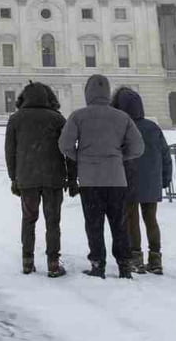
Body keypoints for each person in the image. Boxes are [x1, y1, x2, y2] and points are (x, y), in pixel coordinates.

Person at [59, 75, 144, 279]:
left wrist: (80, 157)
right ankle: (124, 265)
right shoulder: (122, 117)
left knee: (94, 224)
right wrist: (121, 156)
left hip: (90, 180)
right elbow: (138, 147)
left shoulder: (78, 116)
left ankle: (98, 264)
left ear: (87, 93)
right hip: (116, 178)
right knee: (119, 224)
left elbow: (64, 145)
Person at [4, 82, 77, 277]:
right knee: (53, 221)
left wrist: (14, 178)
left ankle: (27, 260)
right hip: (54, 177)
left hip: (27, 177)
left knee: (28, 219)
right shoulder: (57, 119)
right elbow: (69, 151)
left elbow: (10, 152)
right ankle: (53, 263)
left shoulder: (16, 119)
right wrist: (72, 178)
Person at [112, 86, 172, 275]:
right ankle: (155, 258)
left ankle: (136, 257)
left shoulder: (121, 128)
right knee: (151, 220)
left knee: (132, 220)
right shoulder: (152, 127)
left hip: (128, 180)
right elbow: (165, 155)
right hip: (151, 180)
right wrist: (165, 179)